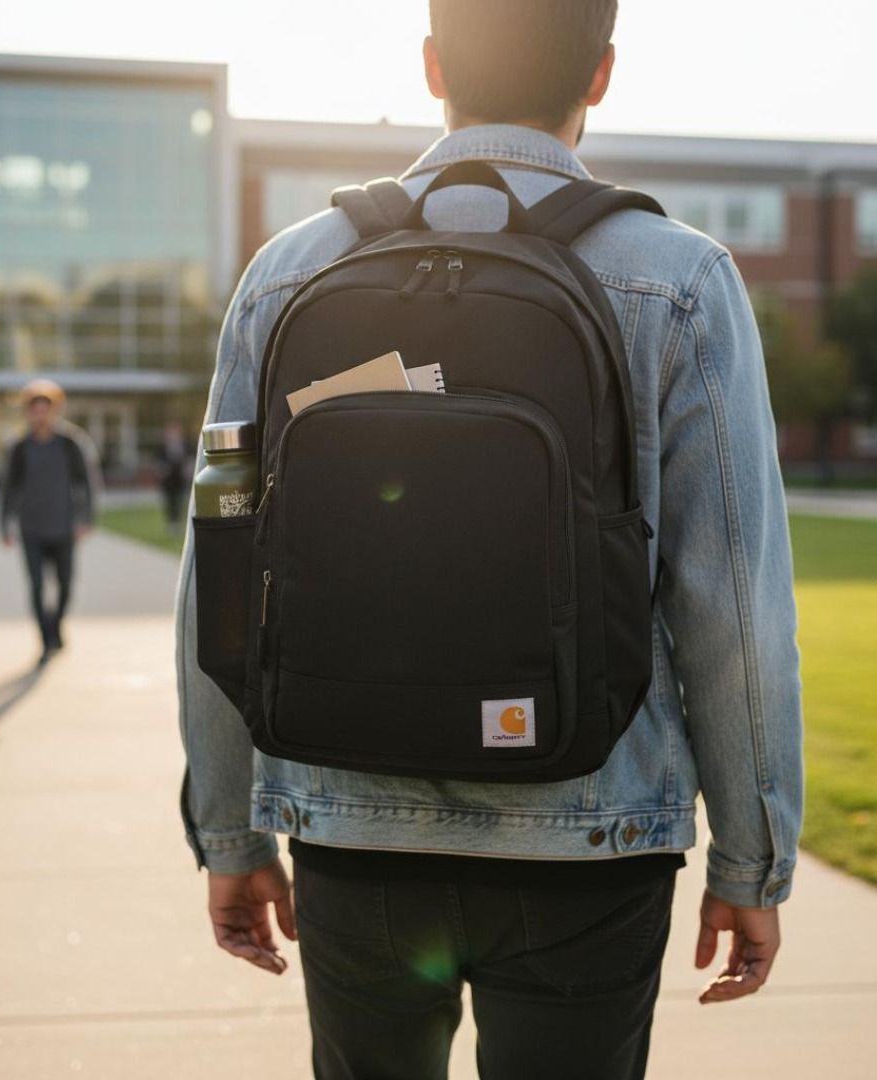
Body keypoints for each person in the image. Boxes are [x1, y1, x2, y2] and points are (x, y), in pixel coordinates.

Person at [174, 3, 804, 1078]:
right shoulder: (679, 279)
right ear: (600, 75)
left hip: (348, 823)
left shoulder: (286, 274)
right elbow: (731, 601)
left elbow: (221, 575)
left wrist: (231, 836)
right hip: (590, 832)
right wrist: (751, 858)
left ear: (432, 67)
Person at [0, 380, 99, 664]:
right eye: (36, 410)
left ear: (54, 411)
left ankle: (56, 625)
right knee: (36, 586)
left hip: (64, 525)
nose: (41, 415)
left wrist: (85, 518)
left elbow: (86, 483)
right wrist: (4, 526)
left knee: (66, 584)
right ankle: (45, 640)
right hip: (30, 527)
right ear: (29, 413)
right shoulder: (20, 447)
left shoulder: (70, 444)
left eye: (46, 409)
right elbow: (9, 488)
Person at [154, 420, 193, 526]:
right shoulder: (163, 446)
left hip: (181, 479)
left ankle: (179, 522)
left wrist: (188, 470)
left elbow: (189, 460)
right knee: (170, 501)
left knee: (181, 501)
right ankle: (171, 523)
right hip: (168, 481)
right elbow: (158, 462)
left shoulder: (185, 444)